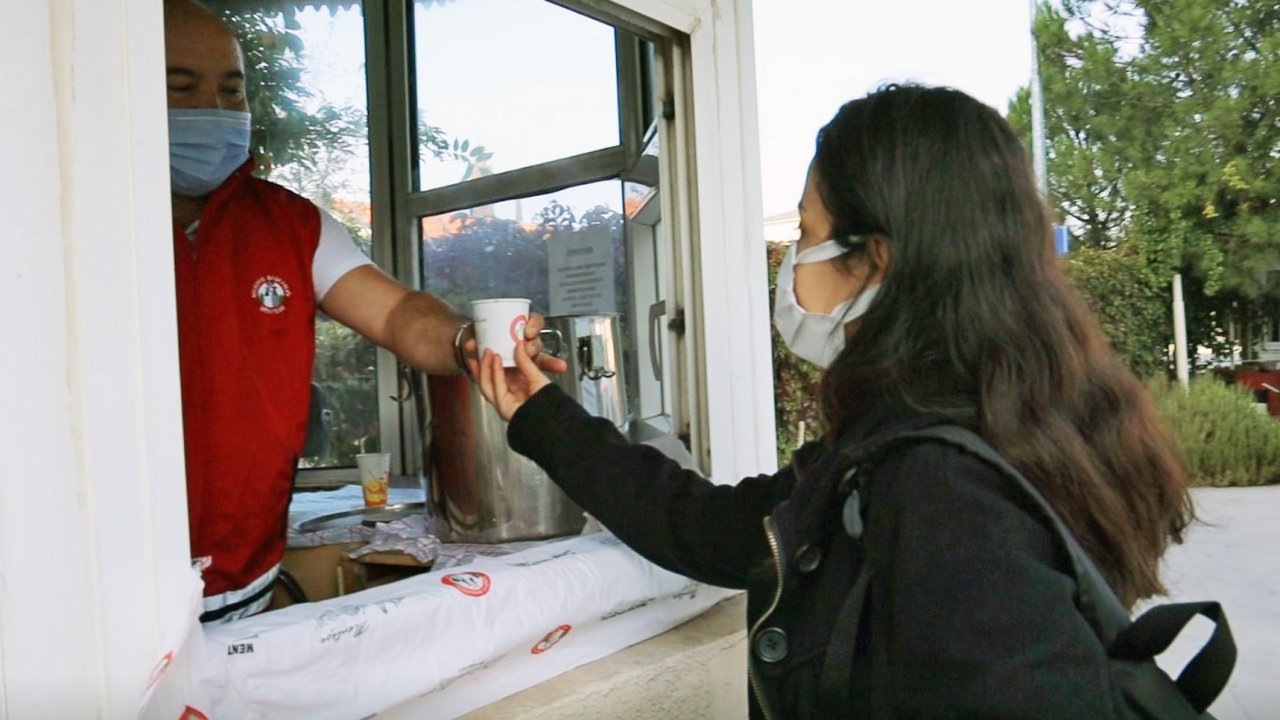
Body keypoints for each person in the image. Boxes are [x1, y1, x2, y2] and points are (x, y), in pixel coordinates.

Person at [471, 84, 1194, 718]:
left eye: (808, 235)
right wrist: (542, 413)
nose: (790, 266)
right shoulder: (1001, 420)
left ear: (874, 262)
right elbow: (715, 528)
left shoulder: (938, 488)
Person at [163, 0, 564, 622]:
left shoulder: (290, 226)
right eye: (181, 88)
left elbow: (398, 313)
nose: (214, 111)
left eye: (231, 92)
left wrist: (466, 342)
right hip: (97, 597)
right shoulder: (61, 219)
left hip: (245, 583)